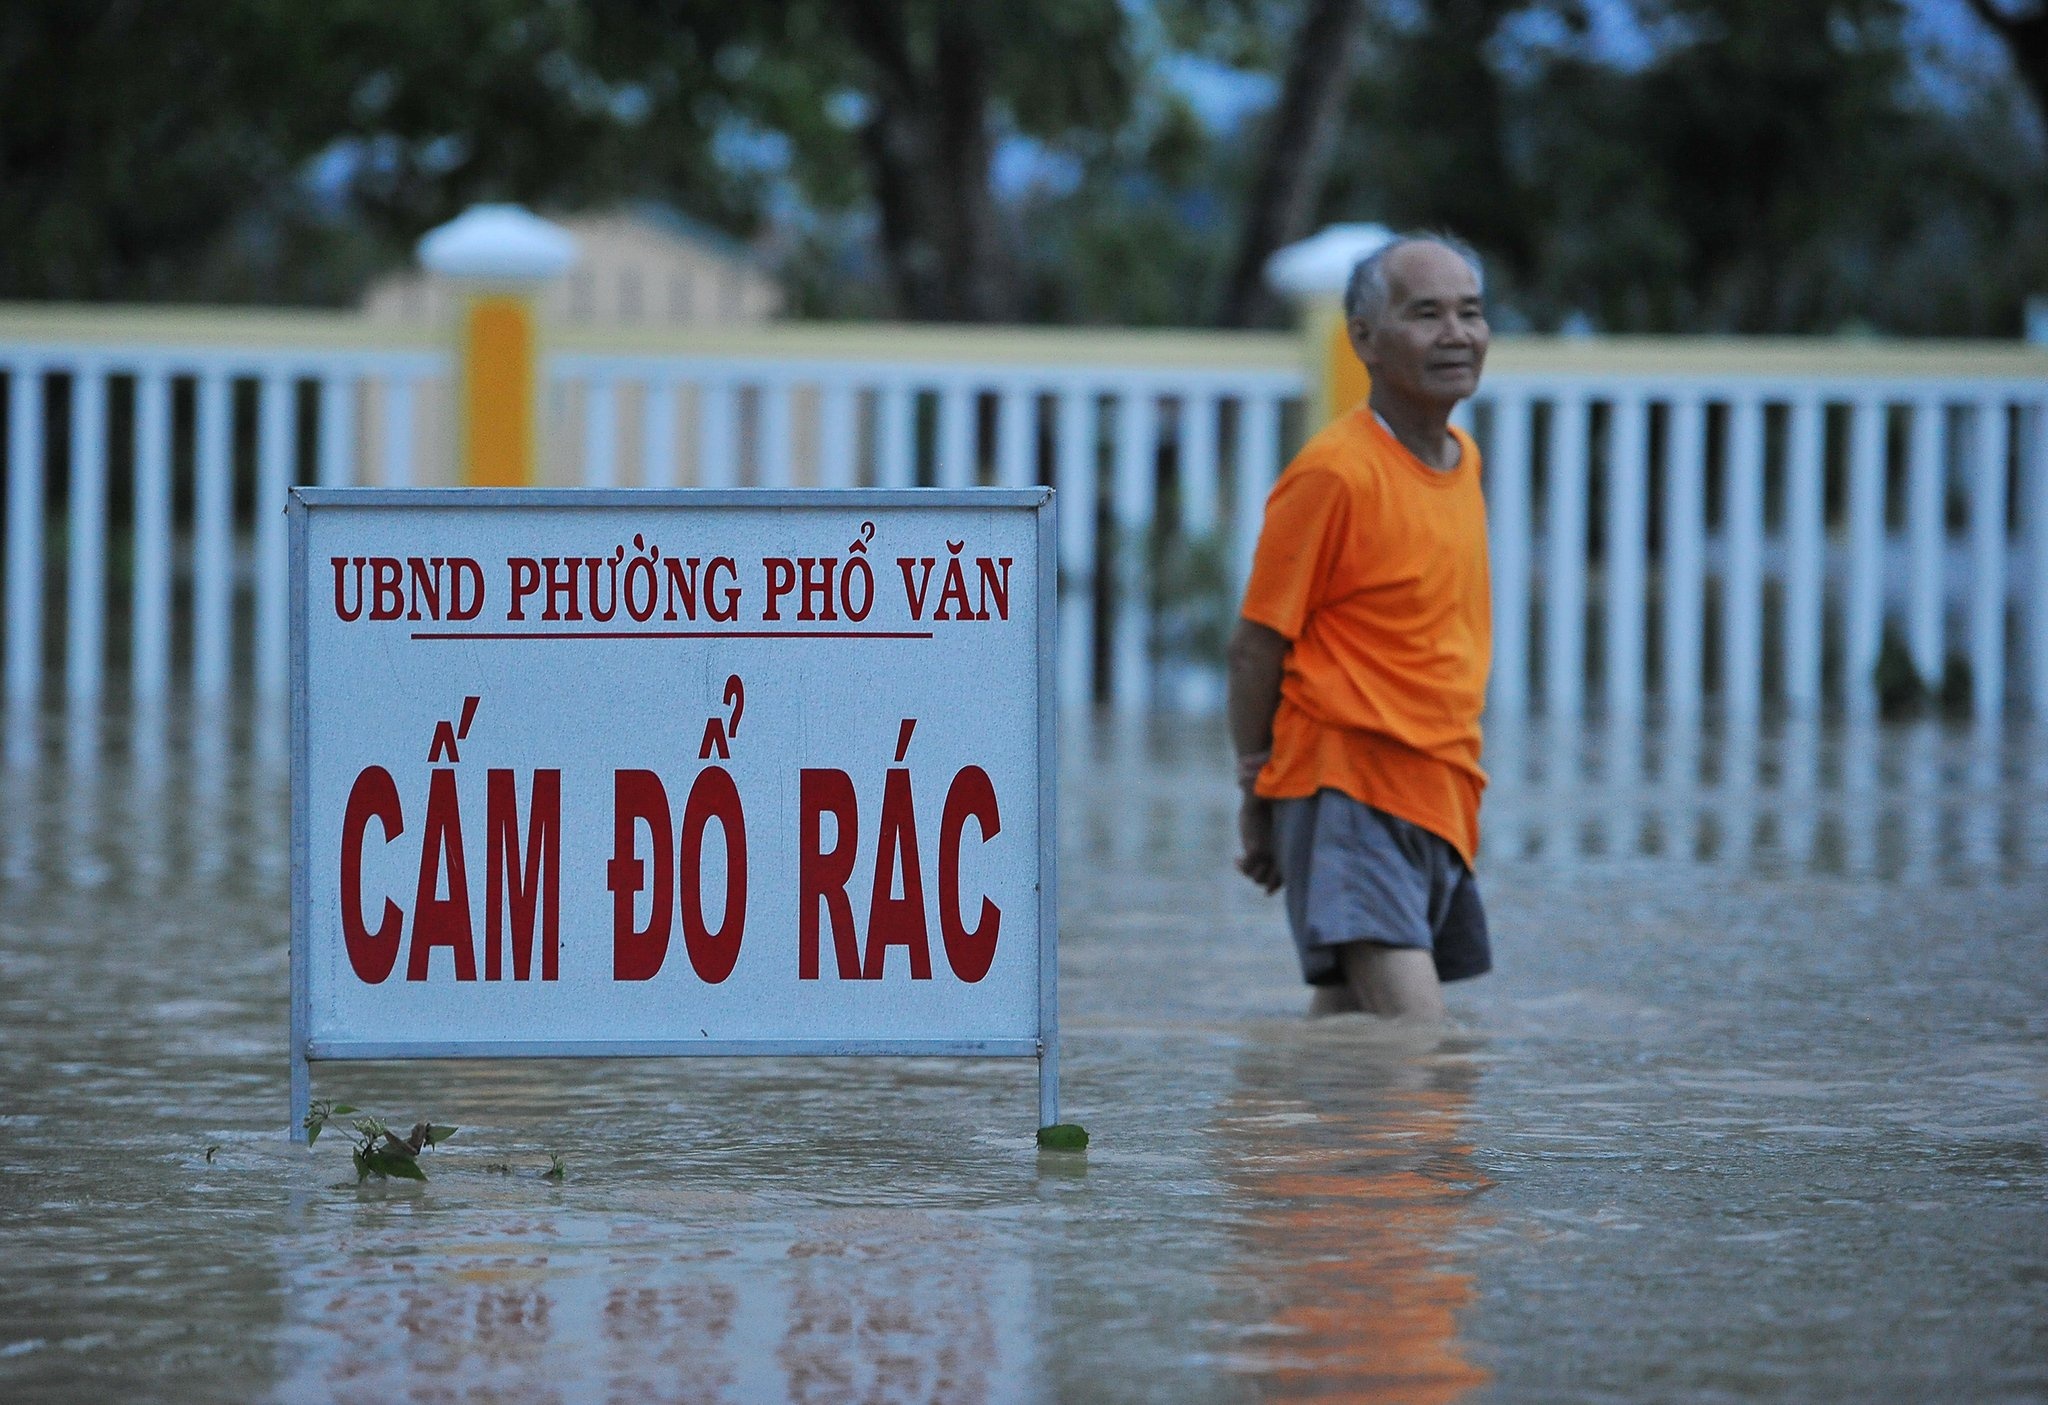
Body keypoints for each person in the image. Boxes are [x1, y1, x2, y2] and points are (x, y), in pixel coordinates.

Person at [1227, 235, 1494, 1021]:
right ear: (1364, 341)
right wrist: (1256, 789)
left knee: (1351, 1035)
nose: (1457, 334)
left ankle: (1273, 1138)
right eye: (1427, 314)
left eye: (1471, 312)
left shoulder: (1463, 458)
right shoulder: (1333, 473)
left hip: (1438, 788)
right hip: (1350, 783)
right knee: (1421, 1047)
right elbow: (1253, 648)